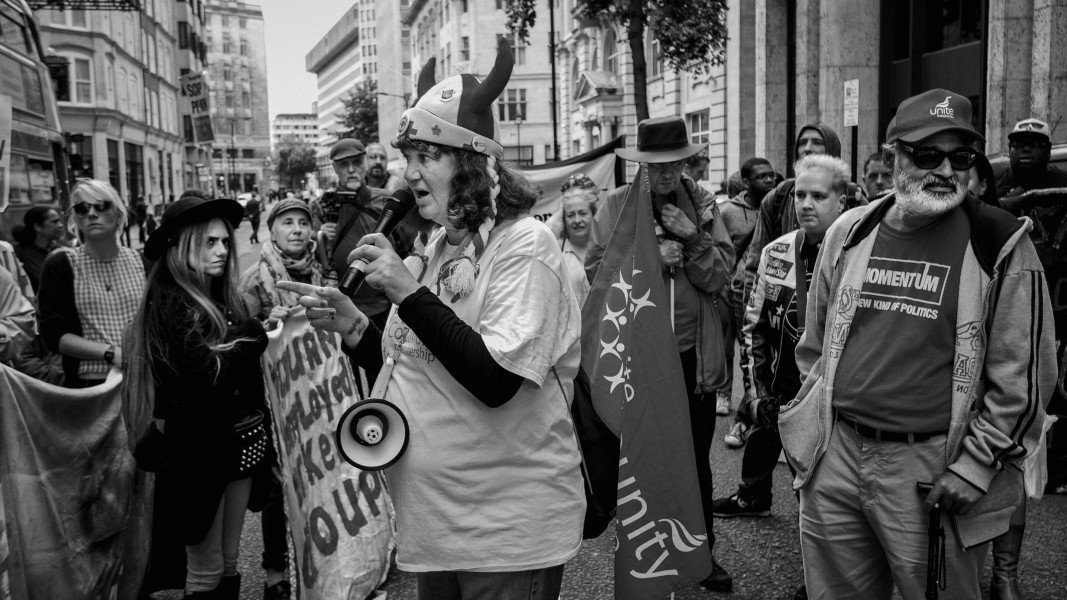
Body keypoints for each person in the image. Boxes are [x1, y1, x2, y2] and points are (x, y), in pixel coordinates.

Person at [281, 39, 585, 600]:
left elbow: (494, 381)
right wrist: (353, 327)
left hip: (503, 532)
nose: (408, 175)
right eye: (407, 158)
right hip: (437, 525)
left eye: (427, 157)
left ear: (471, 165)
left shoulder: (525, 245)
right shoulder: (439, 247)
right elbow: (415, 366)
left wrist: (405, 290)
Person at [787, 89, 1055, 600]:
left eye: (961, 157)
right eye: (928, 154)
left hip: (931, 468)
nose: (945, 170)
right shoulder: (850, 230)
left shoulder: (1000, 245)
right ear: (893, 157)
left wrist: (975, 466)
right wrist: (813, 432)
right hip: (835, 458)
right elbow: (815, 343)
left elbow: (1025, 379)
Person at [586, 115, 736, 593]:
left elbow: (721, 278)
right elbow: (598, 276)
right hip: (637, 360)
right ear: (641, 165)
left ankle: (700, 553)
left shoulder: (705, 206)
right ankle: (647, 548)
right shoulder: (613, 206)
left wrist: (693, 239)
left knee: (694, 458)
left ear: (687, 162)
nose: (666, 173)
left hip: (691, 361)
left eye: (675, 163)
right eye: (655, 165)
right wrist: (647, 264)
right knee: (641, 455)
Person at [129, 190, 269, 599]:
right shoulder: (169, 302)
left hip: (239, 449)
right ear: (181, 244)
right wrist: (255, 335)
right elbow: (205, 374)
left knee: (228, 561)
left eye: (225, 241)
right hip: (197, 459)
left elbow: (235, 374)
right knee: (205, 571)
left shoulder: (220, 298)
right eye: (210, 242)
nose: (222, 250)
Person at [729, 121, 859, 449]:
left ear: (842, 202)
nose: (806, 204)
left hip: (843, 396)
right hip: (786, 384)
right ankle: (751, 494)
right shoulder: (777, 251)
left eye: (818, 196)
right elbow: (753, 330)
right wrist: (757, 396)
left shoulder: (862, 252)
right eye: (801, 195)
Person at [236, 198, 318, 600]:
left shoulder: (324, 275)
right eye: (288, 222)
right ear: (272, 230)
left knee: (315, 477)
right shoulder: (254, 280)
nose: (298, 229)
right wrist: (267, 329)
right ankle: (274, 570)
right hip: (271, 398)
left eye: (304, 222)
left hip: (315, 396)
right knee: (275, 488)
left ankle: (319, 553)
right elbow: (239, 338)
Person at [38, 180, 144, 387]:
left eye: (101, 206)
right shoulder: (62, 264)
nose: (92, 214)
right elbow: (53, 334)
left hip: (141, 377)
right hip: (89, 384)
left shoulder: (141, 262)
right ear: (76, 220)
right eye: (82, 209)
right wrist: (111, 353)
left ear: (119, 214)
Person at [320, 138, 413, 330]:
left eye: (356, 162)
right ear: (335, 169)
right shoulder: (321, 206)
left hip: (384, 309)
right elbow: (312, 263)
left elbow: (409, 252)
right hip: (340, 309)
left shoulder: (386, 200)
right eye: (344, 164)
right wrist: (319, 237)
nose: (351, 169)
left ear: (365, 164)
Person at [717, 157, 776, 420]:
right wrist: (721, 284)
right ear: (746, 182)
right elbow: (718, 248)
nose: (769, 180)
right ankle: (724, 394)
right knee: (727, 345)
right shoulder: (728, 211)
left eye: (771, 175)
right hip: (733, 289)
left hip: (765, 289)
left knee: (754, 349)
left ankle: (751, 403)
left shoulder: (777, 206)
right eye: (762, 176)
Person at [549, 173, 598, 306]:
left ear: (593, 214)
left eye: (583, 213)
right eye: (571, 215)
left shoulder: (605, 249)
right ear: (564, 219)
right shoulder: (556, 252)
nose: (577, 220)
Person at [13, 206, 65, 293]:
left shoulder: (62, 251)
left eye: (59, 221)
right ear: (38, 227)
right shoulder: (18, 253)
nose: (60, 225)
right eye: (55, 222)